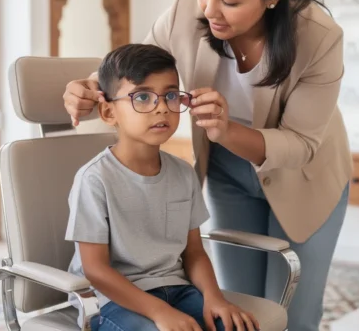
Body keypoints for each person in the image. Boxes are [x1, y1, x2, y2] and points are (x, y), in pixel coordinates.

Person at [63, 0, 353, 331]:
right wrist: (90, 86)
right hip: (228, 172)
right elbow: (134, 71)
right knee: (239, 311)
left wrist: (226, 130)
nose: (211, 11)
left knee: (294, 317)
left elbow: (302, 144)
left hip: (305, 177)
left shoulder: (318, 37)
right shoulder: (184, 11)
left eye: (230, 0)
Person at [65, 43, 260, 331]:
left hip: (176, 288)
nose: (161, 108)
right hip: (110, 300)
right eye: (142, 97)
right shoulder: (94, 179)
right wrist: (159, 312)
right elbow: (96, 270)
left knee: (234, 326)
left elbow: (193, 252)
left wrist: (215, 298)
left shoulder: (183, 173)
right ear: (108, 112)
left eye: (170, 95)